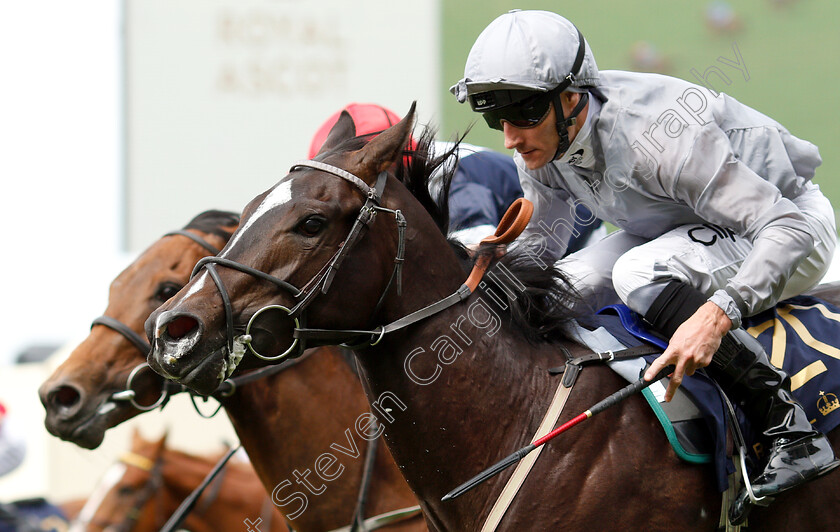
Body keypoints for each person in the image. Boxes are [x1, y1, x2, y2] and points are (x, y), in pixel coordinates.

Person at [451, 9, 838, 524]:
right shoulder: (545, 142)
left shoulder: (659, 139)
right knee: (568, 286)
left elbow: (785, 226)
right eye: (496, 118)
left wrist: (718, 313)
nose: (509, 138)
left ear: (572, 99)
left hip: (787, 227)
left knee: (638, 273)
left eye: (522, 115)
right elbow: (542, 250)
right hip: (680, 229)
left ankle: (788, 427)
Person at [308, 102, 604, 249]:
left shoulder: (448, 173)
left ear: (391, 160)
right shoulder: (410, 173)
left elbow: (477, 247)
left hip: (576, 250)